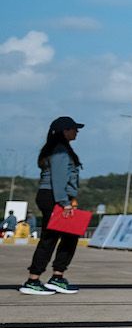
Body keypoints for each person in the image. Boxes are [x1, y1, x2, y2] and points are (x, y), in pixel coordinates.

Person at [21, 117, 84, 295]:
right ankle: (33, 279)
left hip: (55, 196)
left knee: (69, 236)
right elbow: (59, 179)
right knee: (50, 238)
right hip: (54, 197)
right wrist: (64, 203)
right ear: (64, 131)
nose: (76, 132)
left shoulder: (60, 150)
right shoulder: (60, 152)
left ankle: (57, 276)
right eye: (74, 129)